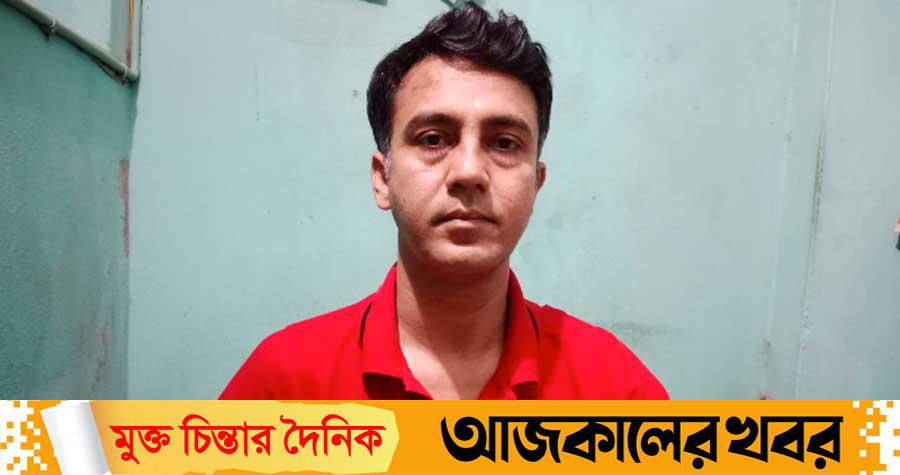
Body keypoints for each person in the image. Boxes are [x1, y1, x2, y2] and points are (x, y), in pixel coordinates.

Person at [220, 2, 667, 400]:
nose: (469, 171)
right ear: (382, 179)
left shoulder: (616, 391)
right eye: (433, 139)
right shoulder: (283, 385)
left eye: (505, 143)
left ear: (536, 185)